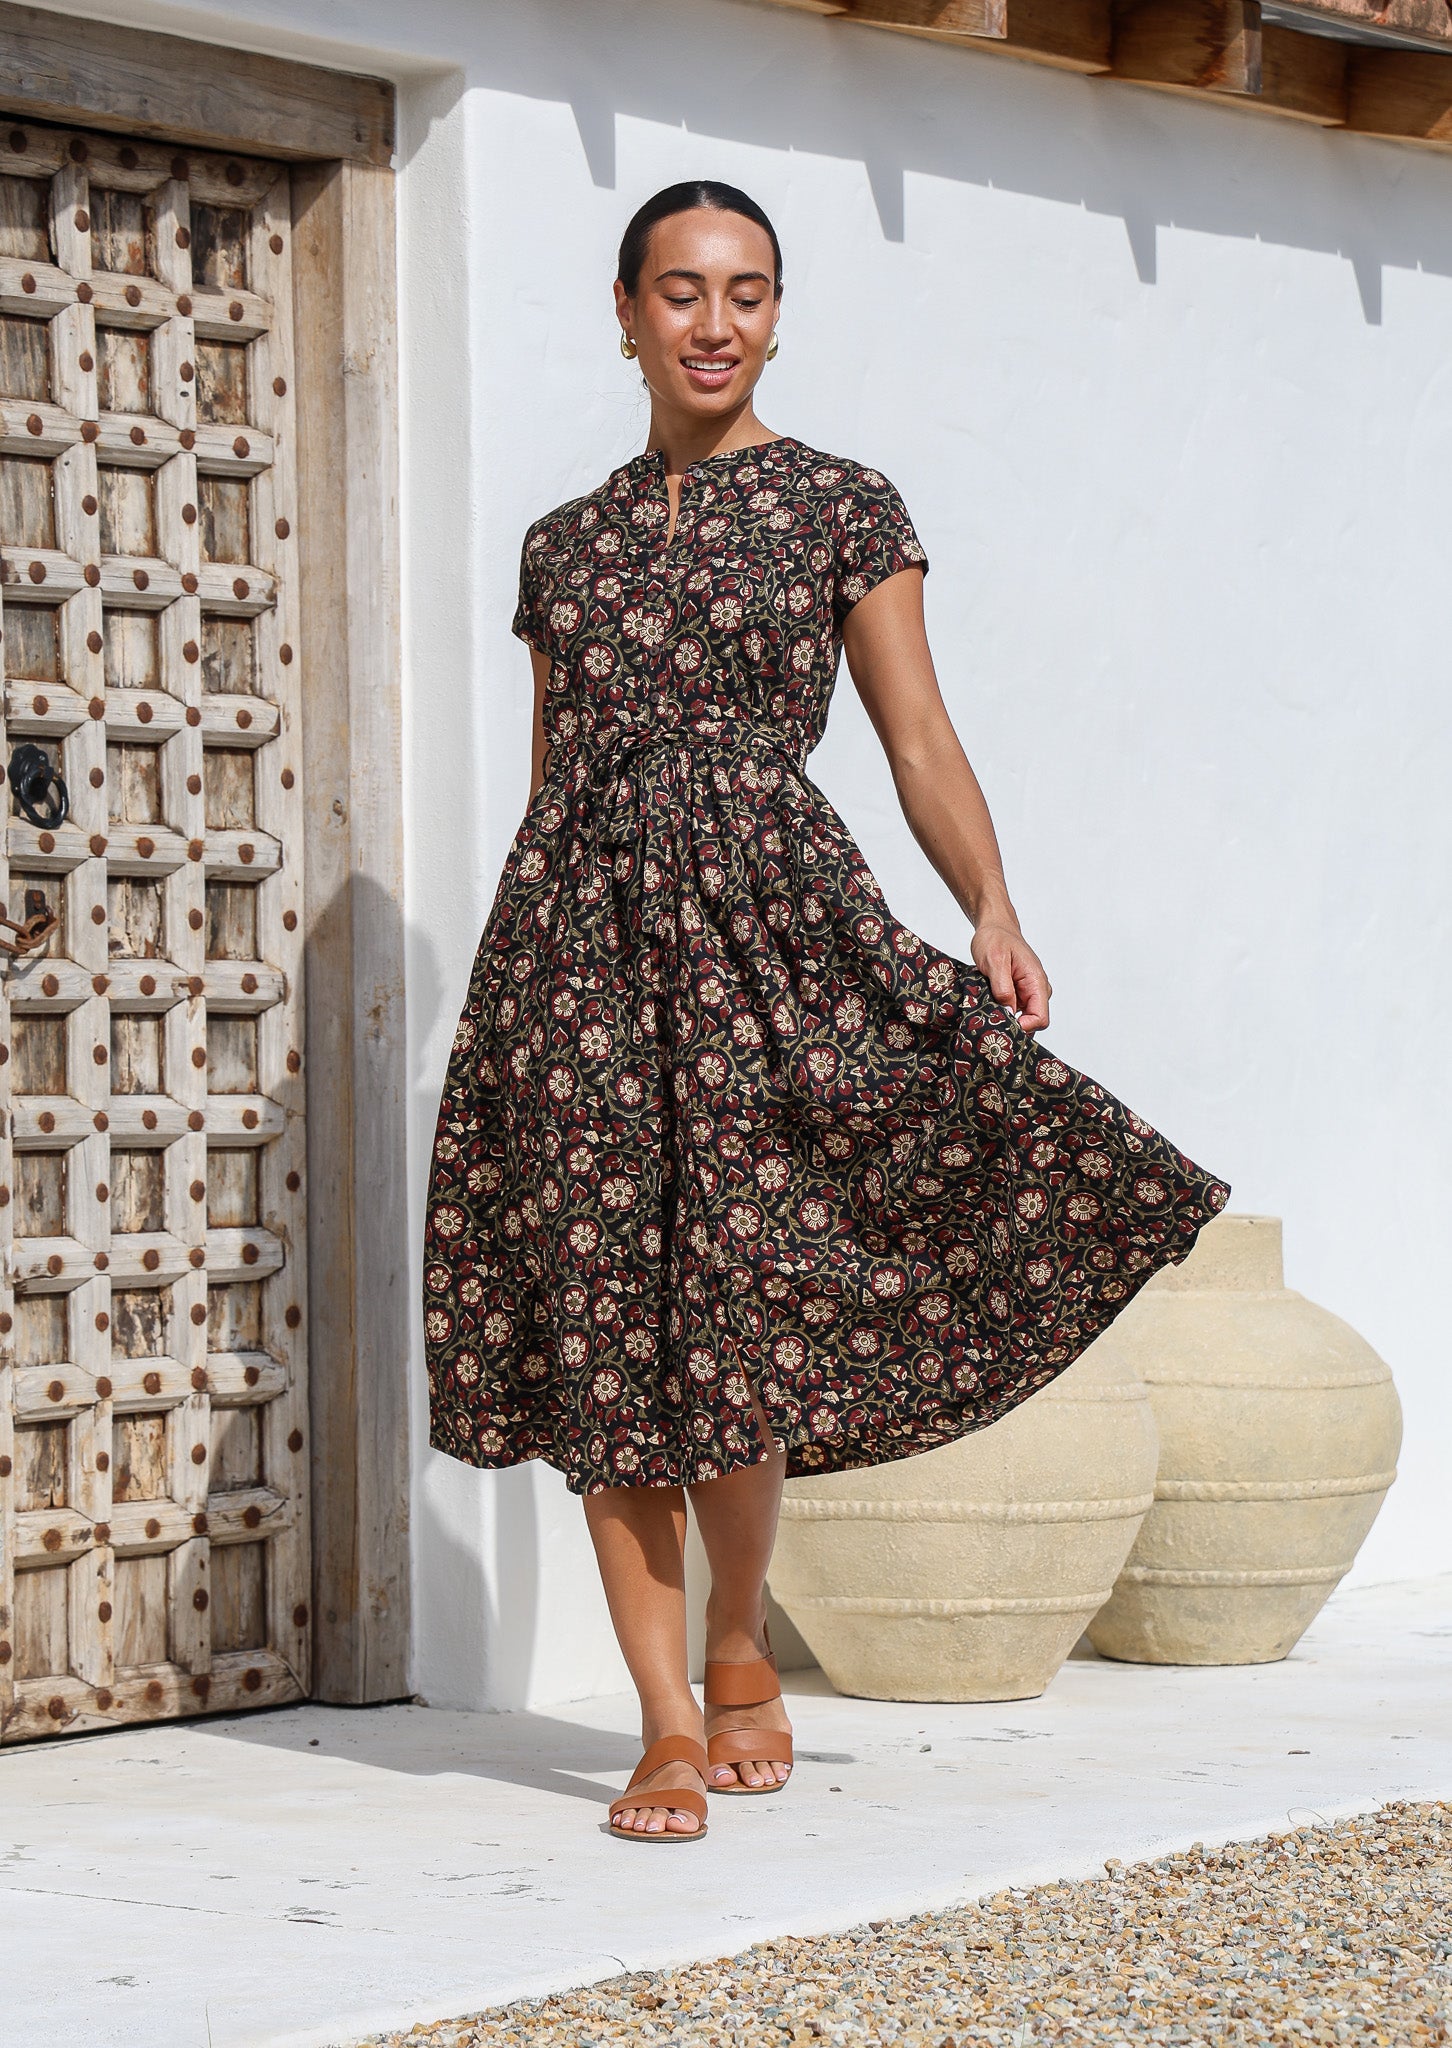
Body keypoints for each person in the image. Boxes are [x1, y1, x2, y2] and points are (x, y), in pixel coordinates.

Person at [423, 180, 1229, 1844]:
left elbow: (915, 733)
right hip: (575, 962)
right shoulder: (561, 545)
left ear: (777, 314)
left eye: (749, 292)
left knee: (734, 1310)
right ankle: (661, 1727)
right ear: (628, 312)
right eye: (682, 291)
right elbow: (554, 776)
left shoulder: (839, 506)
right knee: (604, 1328)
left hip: (767, 940)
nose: (716, 322)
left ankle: (738, 1640)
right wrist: (517, 994)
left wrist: (990, 907)